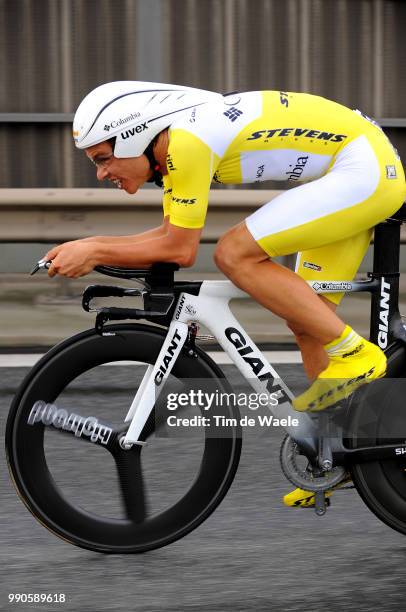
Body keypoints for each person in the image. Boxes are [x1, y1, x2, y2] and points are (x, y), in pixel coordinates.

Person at [44, 81, 406, 507]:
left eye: (104, 159)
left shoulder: (186, 142)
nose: (102, 173)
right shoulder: (174, 148)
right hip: (353, 168)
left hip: (362, 168)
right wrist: (96, 248)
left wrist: (94, 247)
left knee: (235, 253)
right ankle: (334, 455)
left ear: (136, 136)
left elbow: (179, 249)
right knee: (309, 320)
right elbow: (167, 237)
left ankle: (357, 356)